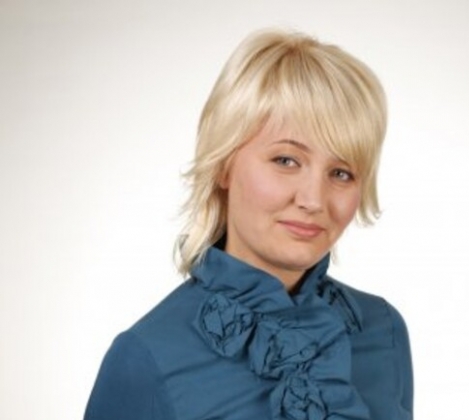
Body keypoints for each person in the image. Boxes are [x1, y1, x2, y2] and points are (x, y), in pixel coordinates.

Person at [84, 28, 413, 420]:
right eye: (286, 161)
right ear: (224, 165)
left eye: (341, 173)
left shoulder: (383, 330)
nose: (313, 200)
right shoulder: (146, 358)